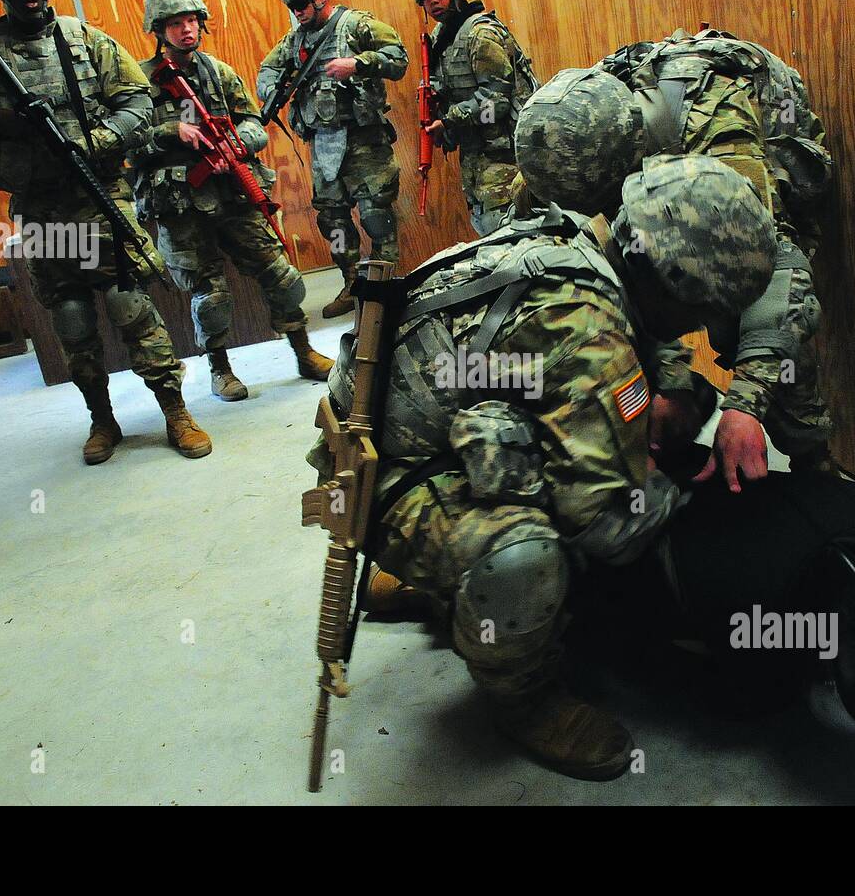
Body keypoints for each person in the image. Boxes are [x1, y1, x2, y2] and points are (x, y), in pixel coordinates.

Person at [312, 154, 777, 779]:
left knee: (590, 440)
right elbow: (608, 525)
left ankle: (430, 578)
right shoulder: (585, 327)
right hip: (378, 483)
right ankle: (522, 696)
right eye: (700, 310)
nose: (698, 324)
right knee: (528, 554)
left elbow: (640, 353)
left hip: (399, 438)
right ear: (672, 286)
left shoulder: (579, 240)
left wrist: (668, 400)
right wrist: (684, 500)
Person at [0, 0, 211, 464]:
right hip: (41, 211)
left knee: (132, 309)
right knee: (73, 320)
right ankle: (102, 420)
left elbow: (137, 102)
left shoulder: (87, 42)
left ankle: (175, 411)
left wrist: (95, 142)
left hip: (98, 196)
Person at [515, 54, 836, 486]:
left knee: (737, 307)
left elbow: (780, 271)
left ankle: (814, 462)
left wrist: (743, 405)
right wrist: (667, 376)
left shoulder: (715, 132)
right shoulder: (559, 151)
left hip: (753, 143)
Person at [132, 0, 332, 401]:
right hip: (181, 203)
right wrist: (171, 132)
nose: (187, 30)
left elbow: (253, 123)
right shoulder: (139, 81)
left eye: (192, 20)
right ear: (158, 29)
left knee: (281, 276)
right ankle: (220, 370)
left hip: (232, 194)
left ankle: (303, 350)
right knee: (211, 295)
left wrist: (234, 147)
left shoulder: (218, 74)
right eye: (175, 23)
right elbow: (127, 144)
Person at [257, 0, 408, 319]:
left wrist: (358, 63)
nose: (298, 12)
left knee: (376, 216)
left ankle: (385, 287)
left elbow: (397, 59)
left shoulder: (356, 25)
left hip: (364, 143)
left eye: (302, 3)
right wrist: (272, 87)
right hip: (323, 145)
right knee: (334, 222)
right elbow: (267, 71)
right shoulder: (294, 42)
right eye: (292, 7)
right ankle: (352, 283)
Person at [411, 0, 538, 235]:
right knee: (485, 225)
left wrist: (450, 119)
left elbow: (497, 100)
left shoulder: (480, 33)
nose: (432, 2)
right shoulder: (443, 37)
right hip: (476, 154)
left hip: (505, 154)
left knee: (508, 228)